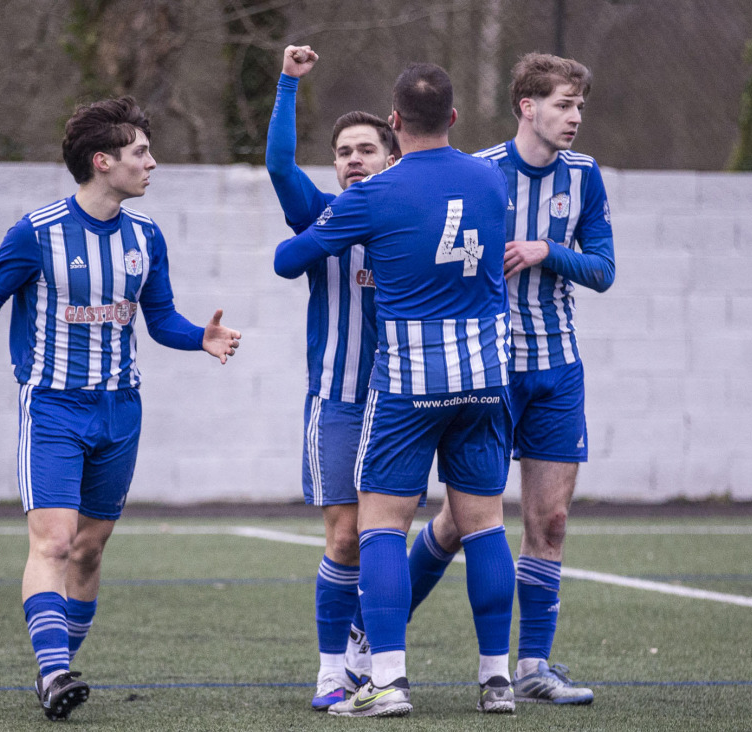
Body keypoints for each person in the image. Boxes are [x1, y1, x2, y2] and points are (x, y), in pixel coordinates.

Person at [0, 97, 241, 721]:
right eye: (141, 153)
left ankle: (57, 669)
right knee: (54, 544)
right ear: (102, 161)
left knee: (88, 551)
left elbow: (160, 319)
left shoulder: (147, 236)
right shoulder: (37, 232)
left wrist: (202, 336)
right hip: (55, 410)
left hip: (121, 414)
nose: (153, 163)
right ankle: (55, 672)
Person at [275, 62, 516, 718]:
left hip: (411, 383)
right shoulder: (491, 179)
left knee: (381, 524)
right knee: (485, 524)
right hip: (486, 377)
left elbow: (287, 260)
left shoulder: (376, 195)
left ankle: (387, 679)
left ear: (395, 122)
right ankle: (497, 681)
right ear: (456, 119)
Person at [406, 52, 615, 706]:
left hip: (556, 373)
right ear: (527, 107)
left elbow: (605, 269)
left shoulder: (583, 178)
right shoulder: (481, 172)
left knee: (549, 521)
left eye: (579, 105)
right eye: (562, 104)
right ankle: (375, 632)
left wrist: (546, 251)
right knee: (460, 523)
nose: (574, 117)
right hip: (490, 371)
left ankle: (532, 665)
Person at [265, 44, 401, 711]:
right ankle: (329, 671)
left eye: (366, 149)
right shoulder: (318, 213)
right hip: (338, 404)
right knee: (344, 536)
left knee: (388, 538)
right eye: (344, 150)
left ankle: (374, 656)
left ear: (391, 158)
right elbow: (278, 165)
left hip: (404, 405)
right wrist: (290, 83)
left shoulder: (409, 221)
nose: (353, 158)